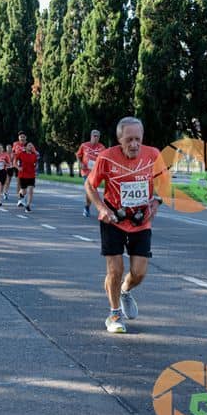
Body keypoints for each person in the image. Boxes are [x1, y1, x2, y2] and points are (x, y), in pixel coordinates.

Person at [85, 117, 165, 334]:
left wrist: (157, 201)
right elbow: (90, 185)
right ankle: (114, 314)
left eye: (138, 139)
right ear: (119, 139)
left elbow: (163, 182)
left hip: (141, 220)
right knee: (115, 269)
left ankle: (125, 291)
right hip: (114, 219)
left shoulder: (153, 155)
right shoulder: (106, 157)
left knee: (139, 273)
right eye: (129, 139)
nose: (134, 144)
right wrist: (102, 209)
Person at [76, 129, 106, 217]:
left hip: (96, 172)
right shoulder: (84, 145)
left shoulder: (102, 147)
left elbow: (105, 159)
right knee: (90, 188)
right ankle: (91, 208)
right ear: (91, 136)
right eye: (94, 136)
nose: (96, 138)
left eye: (97, 136)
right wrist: (80, 163)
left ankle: (87, 206)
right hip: (86, 171)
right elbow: (78, 155)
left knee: (92, 189)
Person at [17, 142, 39, 211]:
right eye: (29, 145)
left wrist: (36, 168)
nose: (31, 147)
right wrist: (18, 167)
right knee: (24, 191)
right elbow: (14, 161)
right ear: (26, 147)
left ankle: (28, 205)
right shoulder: (21, 154)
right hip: (23, 175)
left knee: (30, 190)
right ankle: (21, 194)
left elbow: (36, 163)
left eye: (32, 146)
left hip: (31, 175)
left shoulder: (34, 155)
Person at [10, 131, 28, 202]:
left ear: (26, 137)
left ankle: (23, 195)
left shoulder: (29, 145)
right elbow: (12, 153)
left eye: (23, 137)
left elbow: (34, 153)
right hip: (17, 165)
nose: (22, 138)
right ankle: (20, 199)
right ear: (18, 138)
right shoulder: (15, 144)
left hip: (26, 165)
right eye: (21, 137)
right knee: (19, 182)